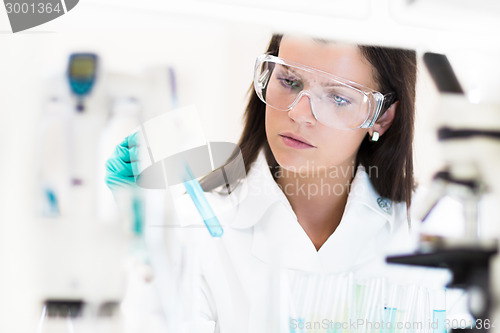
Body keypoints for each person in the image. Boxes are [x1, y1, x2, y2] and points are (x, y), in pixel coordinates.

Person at [107, 34, 426, 332]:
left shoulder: (427, 231)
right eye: (289, 81)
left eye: (338, 98)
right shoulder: (195, 227)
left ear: (382, 117)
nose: (300, 114)